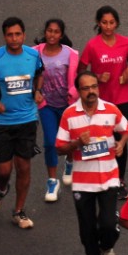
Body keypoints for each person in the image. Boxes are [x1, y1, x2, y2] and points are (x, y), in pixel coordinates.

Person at [56, 71, 128, 255]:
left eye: (94, 86)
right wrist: (77, 144)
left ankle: (107, 249)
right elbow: (60, 148)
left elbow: (126, 128)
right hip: (82, 182)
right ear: (78, 91)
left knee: (108, 224)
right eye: (86, 88)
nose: (91, 91)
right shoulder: (69, 115)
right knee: (87, 229)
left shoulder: (110, 109)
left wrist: (121, 144)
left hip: (109, 177)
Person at [0, 17, 43, 228]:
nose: (14, 38)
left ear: (23, 35)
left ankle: (18, 211)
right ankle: (2, 189)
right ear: (4, 36)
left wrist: (38, 90)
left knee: (23, 167)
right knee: (3, 170)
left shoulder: (33, 55)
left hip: (27, 119)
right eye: (9, 35)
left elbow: (40, 73)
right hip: (3, 122)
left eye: (18, 34)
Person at [79, 6, 128, 192]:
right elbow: (80, 70)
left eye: (112, 22)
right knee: (101, 138)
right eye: (104, 22)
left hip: (122, 98)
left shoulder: (126, 42)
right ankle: (100, 178)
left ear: (117, 23)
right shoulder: (92, 45)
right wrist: (96, 76)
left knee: (121, 138)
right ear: (98, 23)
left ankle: (119, 180)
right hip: (99, 100)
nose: (108, 26)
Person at [34, 18, 80, 201]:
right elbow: (30, 75)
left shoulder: (71, 54)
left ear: (61, 35)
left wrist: (73, 93)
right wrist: (35, 92)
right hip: (46, 105)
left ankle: (69, 162)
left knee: (68, 140)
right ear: (45, 32)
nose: (52, 35)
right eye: (49, 31)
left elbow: (78, 78)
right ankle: (52, 181)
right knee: (50, 142)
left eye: (56, 32)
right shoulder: (35, 53)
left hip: (67, 105)